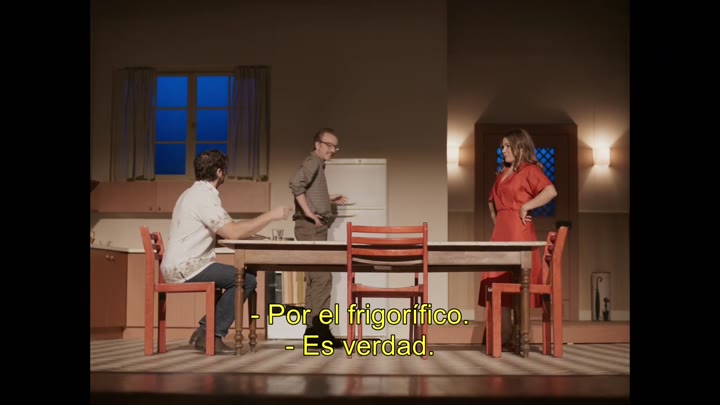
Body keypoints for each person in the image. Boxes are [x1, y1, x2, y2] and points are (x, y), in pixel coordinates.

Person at [161, 149, 292, 354]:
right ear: (220, 172)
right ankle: (210, 334)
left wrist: (249, 235)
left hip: (183, 264)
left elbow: (227, 231)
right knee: (245, 280)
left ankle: (205, 331)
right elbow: (232, 232)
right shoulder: (203, 196)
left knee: (241, 277)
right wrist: (271, 215)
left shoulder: (193, 193)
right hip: (186, 266)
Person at [478, 128, 558, 350]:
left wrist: (525, 206)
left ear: (520, 147)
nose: (503, 150)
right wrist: (499, 220)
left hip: (518, 230)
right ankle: (502, 334)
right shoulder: (502, 173)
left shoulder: (529, 170)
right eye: (502, 146)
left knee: (519, 280)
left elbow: (550, 191)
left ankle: (519, 334)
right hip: (501, 231)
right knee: (496, 279)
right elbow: (491, 201)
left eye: (507, 146)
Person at [289, 128, 348, 348]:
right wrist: (309, 214)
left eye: (335, 146)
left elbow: (308, 191)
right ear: (318, 145)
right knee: (322, 279)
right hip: (310, 228)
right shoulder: (313, 161)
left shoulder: (318, 165)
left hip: (313, 229)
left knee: (315, 280)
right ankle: (321, 332)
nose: (333, 150)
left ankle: (313, 333)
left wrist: (328, 198)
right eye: (329, 145)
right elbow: (296, 184)